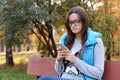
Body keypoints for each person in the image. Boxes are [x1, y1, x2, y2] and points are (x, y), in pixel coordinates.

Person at [38, 6, 104, 80]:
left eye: (76, 21)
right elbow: (59, 71)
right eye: (70, 22)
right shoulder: (66, 41)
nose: (73, 25)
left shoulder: (96, 42)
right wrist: (59, 59)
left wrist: (75, 61)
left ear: (83, 21)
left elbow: (98, 73)